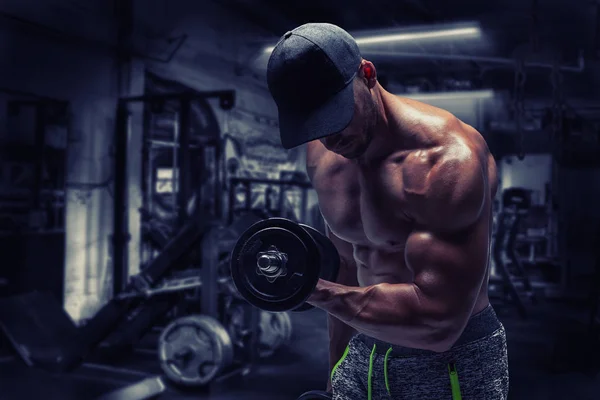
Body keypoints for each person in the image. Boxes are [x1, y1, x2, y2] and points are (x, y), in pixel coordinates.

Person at [266, 23, 508, 400]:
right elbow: (345, 265)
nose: (331, 139)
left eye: (336, 116)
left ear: (367, 74)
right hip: (364, 351)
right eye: (317, 126)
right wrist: (335, 369)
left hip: (449, 365)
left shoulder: (446, 161)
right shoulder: (322, 154)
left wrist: (309, 289)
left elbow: (438, 322)